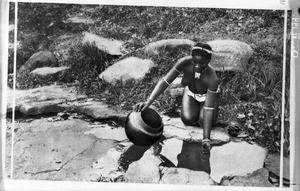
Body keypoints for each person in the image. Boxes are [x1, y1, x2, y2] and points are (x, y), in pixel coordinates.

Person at [134, 42, 220, 159]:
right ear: (191, 57)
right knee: (188, 119)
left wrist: (206, 138)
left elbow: (208, 108)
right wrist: (148, 102)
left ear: (209, 61)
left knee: (203, 120)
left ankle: (213, 99)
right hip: (191, 93)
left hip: (207, 98)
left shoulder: (212, 77)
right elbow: (165, 81)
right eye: (194, 61)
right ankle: (188, 97)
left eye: (202, 63)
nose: (197, 66)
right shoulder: (184, 62)